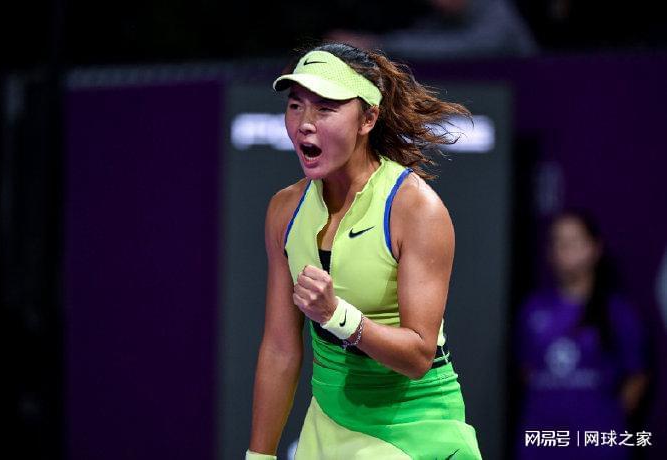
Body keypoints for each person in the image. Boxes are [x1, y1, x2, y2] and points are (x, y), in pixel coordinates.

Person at [246, 42, 482, 459]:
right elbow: (281, 348)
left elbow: (418, 355)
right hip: (329, 421)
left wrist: (336, 316)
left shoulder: (415, 209)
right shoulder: (284, 210)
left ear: (368, 119)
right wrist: (259, 456)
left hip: (414, 427)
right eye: (296, 106)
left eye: (325, 108)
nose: (304, 124)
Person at [514, 210, 649, 459]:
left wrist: (605, 418)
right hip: (541, 442)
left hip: (598, 443)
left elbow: (636, 377)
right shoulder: (532, 310)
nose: (564, 249)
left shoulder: (617, 312)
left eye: (573, 241)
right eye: (557, 241)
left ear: (595, 248)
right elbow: (525, 371)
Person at [327, 0, 538, 61]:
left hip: (525, 111)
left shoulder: (496, 11)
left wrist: (376, 45)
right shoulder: (439, 17)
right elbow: (420, 40)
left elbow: (467, 48)